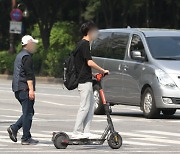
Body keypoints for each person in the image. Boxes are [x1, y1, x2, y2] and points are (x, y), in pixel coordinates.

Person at [72, 21, 109, 138]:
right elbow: (89, 62)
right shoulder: (84, 44)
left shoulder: (81, 44)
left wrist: (92, 75)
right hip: (84, 82)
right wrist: (102, 70)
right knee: (84, 107)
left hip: (86, 79)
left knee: (91, 105)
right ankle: (76, 132)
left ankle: (86, 131)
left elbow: (82, 65)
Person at [7, 35, 39, 145]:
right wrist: (31, 90)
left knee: (29, 111)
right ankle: (26, 138)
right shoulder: (27, 57)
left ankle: (14, 128)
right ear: (29, 44)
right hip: (24, 88)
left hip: (17, 88)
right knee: (28, 113)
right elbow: (28, 75)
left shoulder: (20, 55)